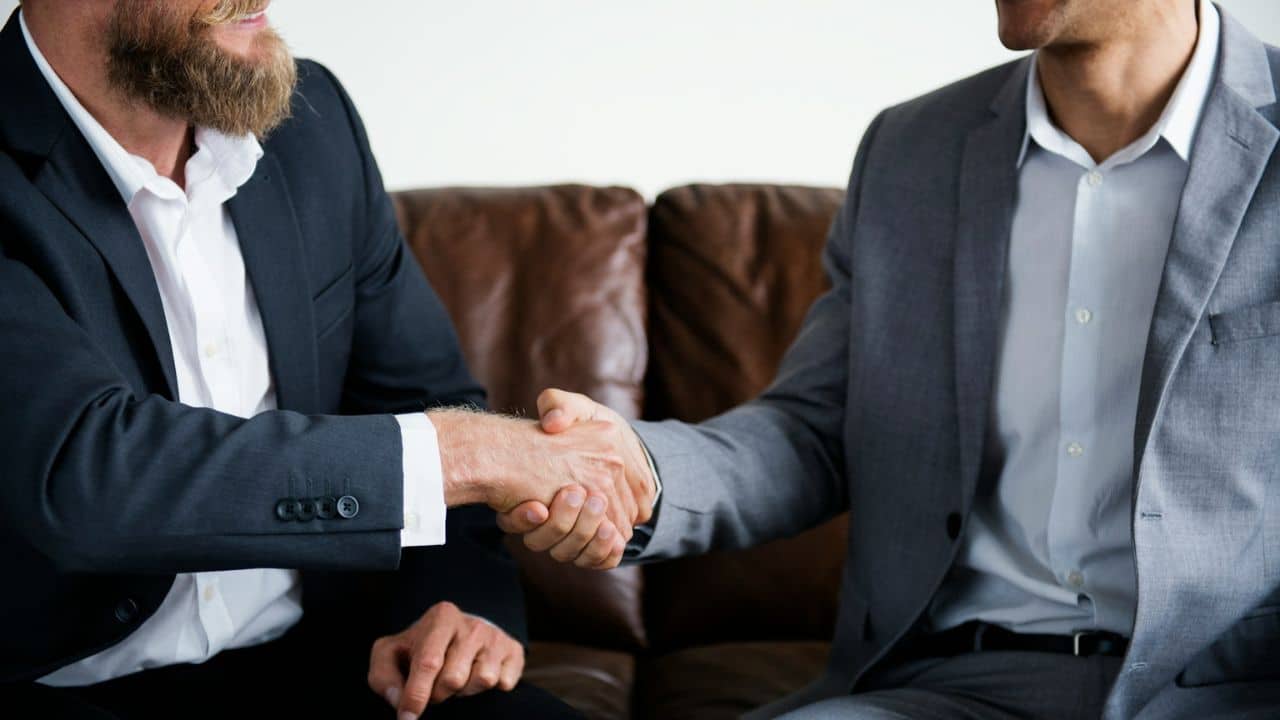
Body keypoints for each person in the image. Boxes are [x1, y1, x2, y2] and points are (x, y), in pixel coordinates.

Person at [509, 0, 1280, 717]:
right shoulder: (911, 149)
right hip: (950, 687)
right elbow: (812, 431)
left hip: (1225, 690)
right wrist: (639, 471)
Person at [0, 1, 655, 718]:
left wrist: (456, 605)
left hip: (332, 661)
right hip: (56, 682)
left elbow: (422, 391)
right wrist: (474, 454)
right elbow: (87, 470)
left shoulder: (314, 128)